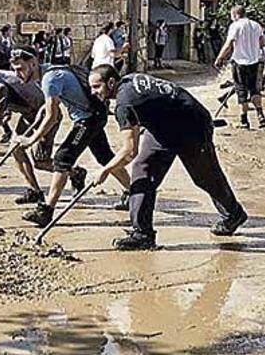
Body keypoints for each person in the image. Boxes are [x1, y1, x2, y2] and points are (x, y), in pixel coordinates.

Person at [89, 66, 249, 250]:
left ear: (111, 83)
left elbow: (129, 151)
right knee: (143, 171)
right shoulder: (129, 80)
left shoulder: (124, 103)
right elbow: (153, 103)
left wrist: (105, 170)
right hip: (161, 128)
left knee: (205, 177)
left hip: (191, 125)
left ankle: (233, 214)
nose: (93, 93)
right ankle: (142, 234)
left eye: (96, 87)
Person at [12, 46, 131, 226]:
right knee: (104, 157)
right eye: (15, 70)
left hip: (88, 119)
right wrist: (45, 107)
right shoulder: (45, 73)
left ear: (33, 63)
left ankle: (46, 211)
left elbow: (52, 117)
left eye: (20, 68)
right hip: (94, 115)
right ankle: (133, 193)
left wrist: (31, 139)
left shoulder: (49, 78)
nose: (18, 73)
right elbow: (54, 101)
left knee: (62, 158)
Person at [0, 59, 55, 204]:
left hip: (46, 115)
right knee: (16, 149)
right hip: (29, 114)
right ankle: (35, 191)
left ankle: (75, 172)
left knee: (41, 162)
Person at [215, 5, 265, 129]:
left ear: (235, 14)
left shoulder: (235, 26)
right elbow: (262, 43)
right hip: (254, 62)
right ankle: (260, 115)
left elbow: (229, 44)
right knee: (255, 90)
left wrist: (220, 58)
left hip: (240, 62)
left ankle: (244, 120)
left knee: (241, 91)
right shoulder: (256, 25)